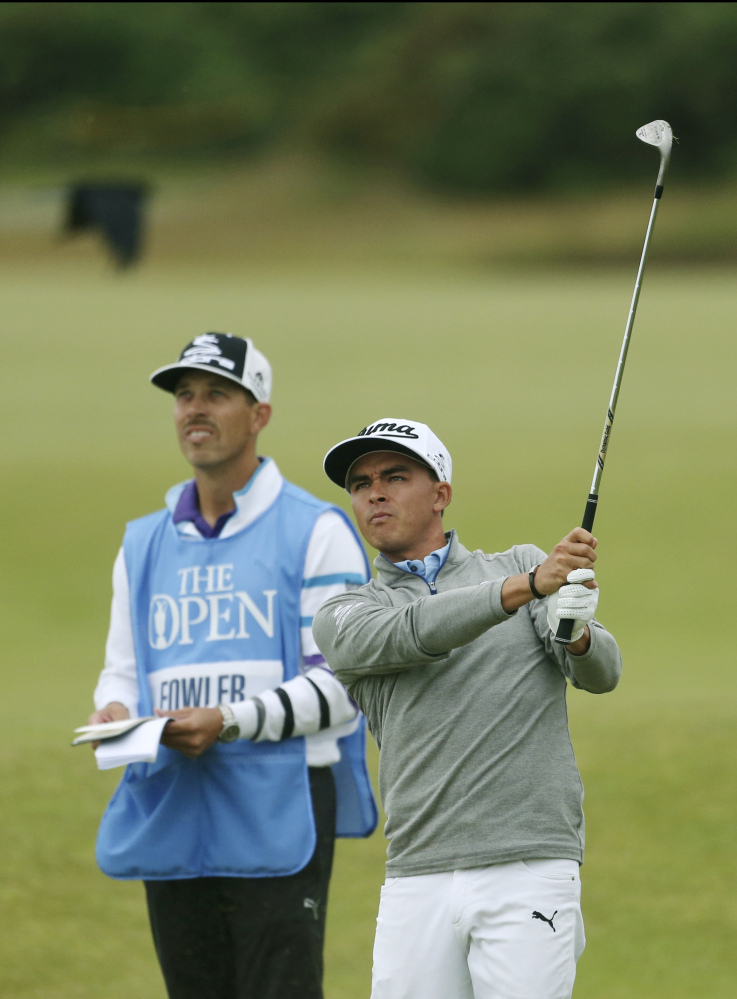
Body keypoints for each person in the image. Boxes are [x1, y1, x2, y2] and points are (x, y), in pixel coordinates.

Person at [89, 333, 377, 999]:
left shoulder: (316, 529)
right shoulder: (141, 542)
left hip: (283, 795)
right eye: (184, 395)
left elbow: (343, 683)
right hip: (174, 794)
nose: (195, 408)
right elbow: (122, 670)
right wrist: (112, 710)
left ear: (260, 413)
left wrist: (229, 720)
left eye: (217, 393)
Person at [312, 417, 622, 999]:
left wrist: (575, 627)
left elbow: (601, 673)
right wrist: (526, 587)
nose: (374, 492)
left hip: (528, 865)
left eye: (395, 476)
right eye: (360, 483)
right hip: (416, 873)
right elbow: (415, 631)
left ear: (441, 495)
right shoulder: (348, 612)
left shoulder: (521, 566)